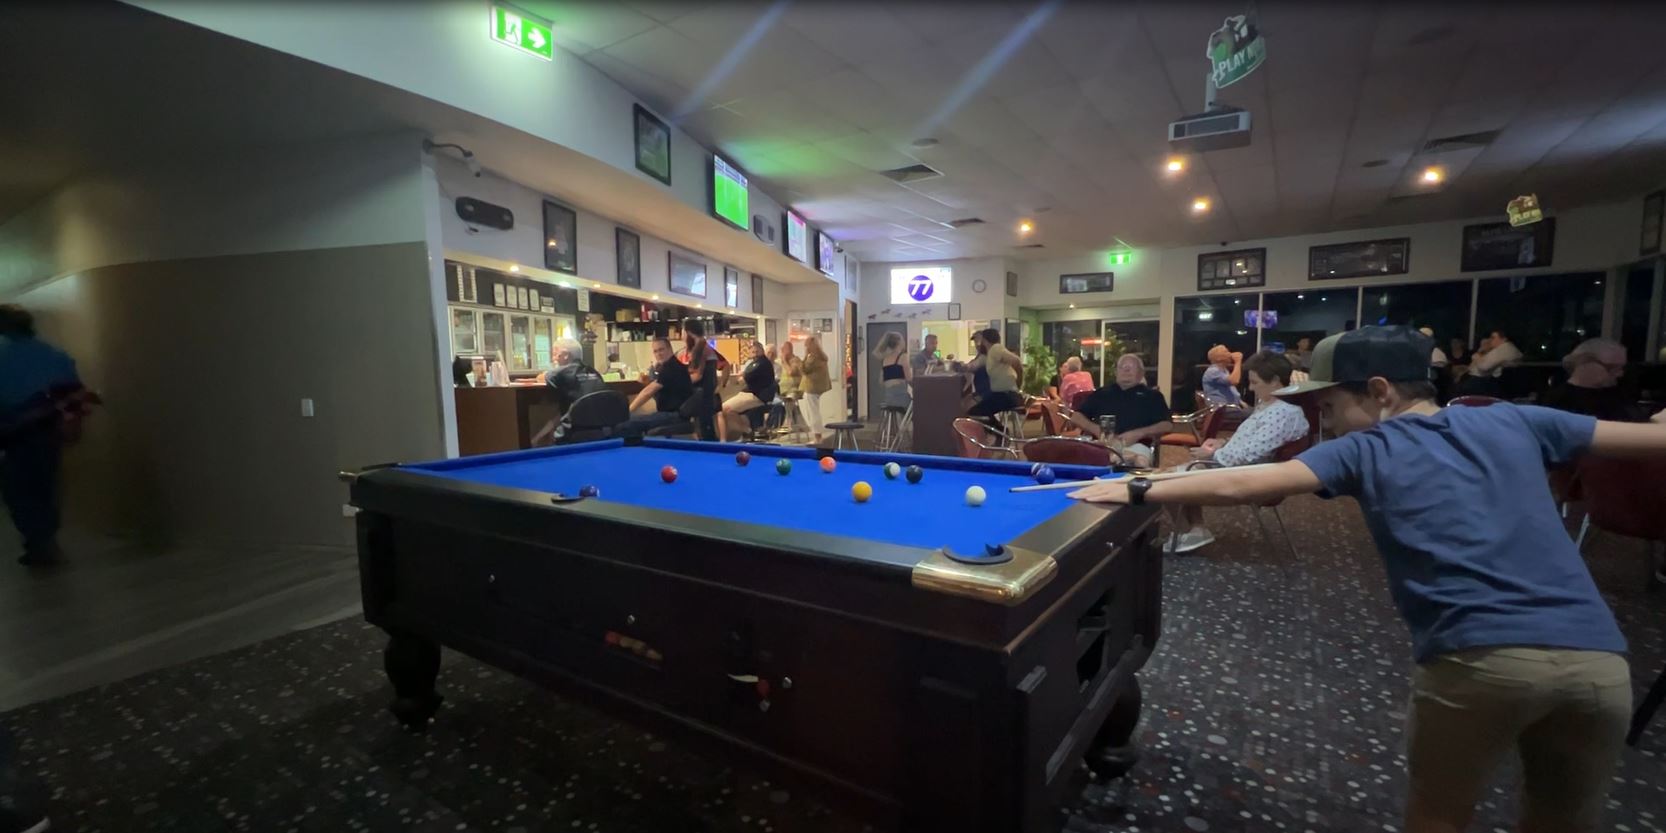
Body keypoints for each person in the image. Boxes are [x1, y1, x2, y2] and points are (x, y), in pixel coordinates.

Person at [1070, 325, 1666, 833]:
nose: (1322, 418)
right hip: (1601, 669)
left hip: (1477, 664)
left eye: (1328, 406)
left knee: (1437, 818)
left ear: (1379, 392)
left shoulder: (1368, 447)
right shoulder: (1516, 420)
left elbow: (1243, 483)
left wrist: (1137, 486)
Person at [1165, 351, 1310, 554]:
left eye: (1255, 382)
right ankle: (1195, 531)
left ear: (1276, 381)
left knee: (1164, 483)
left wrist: (1212, 456)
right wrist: (1222, 442)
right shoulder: (1272, 406)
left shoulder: (1284, 413)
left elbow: (1250, 454)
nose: (1250, 387)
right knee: (1175, 474)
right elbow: (1253, 443)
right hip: (1239, 468)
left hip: (1245, 476)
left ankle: (1186, 531)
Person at [0, 305, 83, 568]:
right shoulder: (55, 355)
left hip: (16, 432)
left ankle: (40, 543)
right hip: (50, 429)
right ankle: (44, 541)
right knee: (45, 485)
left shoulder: (4, 358)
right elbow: (73, 394)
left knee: (19, 490)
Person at [1067, 354, 1174, 464]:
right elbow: (1076, 417)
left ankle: (1122, 460)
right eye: (1122, 367)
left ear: (1141, 373)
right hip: (1103, 445)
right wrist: (1098, 430)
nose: (1126, 370)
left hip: (1137, 446)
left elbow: (1167, 425)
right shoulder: (1102, 394)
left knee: (1140, 461)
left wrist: (1139, 433)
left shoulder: (1153, 396)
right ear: (1116, 372)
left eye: (1131, 367)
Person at [1541, 337, 1646, 422]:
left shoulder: (1619, 395)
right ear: (1587, 363)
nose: (1620, 374)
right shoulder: (1557, 401)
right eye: (1613, 368)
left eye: (1622, 368)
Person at [531, 337, 606, 445]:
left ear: (566, 355)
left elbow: (541, 377)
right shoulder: (594, 372)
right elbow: (568, 411)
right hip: (601, 431)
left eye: (555, 354)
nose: (553, 359)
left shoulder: (562, 371)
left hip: (574, 432)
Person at [614, 338, 693, 439]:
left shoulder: (671, 368)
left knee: (625, 424)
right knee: (632, 420)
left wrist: (627, 411)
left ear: (670, 349)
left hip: (673, 415)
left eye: (661, 350)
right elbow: (657, 387)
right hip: (674, 414)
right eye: (655, 351)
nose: (658, 354)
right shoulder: (672, 366)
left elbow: (648, 392)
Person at [717, 341, 777, 442]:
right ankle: (745, 432)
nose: (754, 351)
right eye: (752, 350)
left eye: (756, 349)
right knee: (730, 412)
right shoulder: (755, 363)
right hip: (749, 394)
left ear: (761, 350)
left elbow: (745, 376)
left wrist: (741, 377)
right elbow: (745, 375)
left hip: (755, 396)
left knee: (723, 410)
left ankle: (737, 435)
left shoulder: (762, 363)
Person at [965, 328, 1022, 426]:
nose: (979, 343)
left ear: (985, 340)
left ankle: (1000, 434)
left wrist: (1019, 382)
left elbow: (1016, 360)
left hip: (1006, 395)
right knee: (978, 411)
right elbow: (973, 366)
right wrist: (961, 366)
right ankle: (999, 434)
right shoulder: (988, 355)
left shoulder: (996, 348)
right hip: (1001, 394)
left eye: (980, 340)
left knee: (975, 413)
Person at [681, 326, 721, 440]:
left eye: (683, 333)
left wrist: (680, 382)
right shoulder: (706, 347)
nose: (682, 336)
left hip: (703, 394)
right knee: (705, 426)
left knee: (705, 429)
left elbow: (697, 375)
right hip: (707, 393)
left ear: (689, 333)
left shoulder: (701, 349)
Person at [1458, 329, 1522, 396]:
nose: (1490, 340)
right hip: (1490, 381)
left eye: (1493, 337)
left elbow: (1484, 367)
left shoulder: (1502, 349)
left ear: (1504, 339)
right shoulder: (1509, 348)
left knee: (1461, 386)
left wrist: (1476, 356)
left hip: (1487, 383)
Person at [799, 337, 832, 445]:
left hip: (811, 387)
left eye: (806, 345)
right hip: (816, 387)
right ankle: (817, 436)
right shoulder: (821, 356)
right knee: (814, 411)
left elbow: (804, 369)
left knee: (812, 413)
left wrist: (804, 357)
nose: (805, 347)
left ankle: (817, 437)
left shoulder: (812, 357)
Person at [873, 331, 912, 412]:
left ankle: (896, 424)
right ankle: (905, 425)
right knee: (918, 407)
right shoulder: (903, 356)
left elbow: (881, 381)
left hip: (888, 398)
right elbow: (909, 378)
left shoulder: (885, 359)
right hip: (901, 396)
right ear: (899, 342)